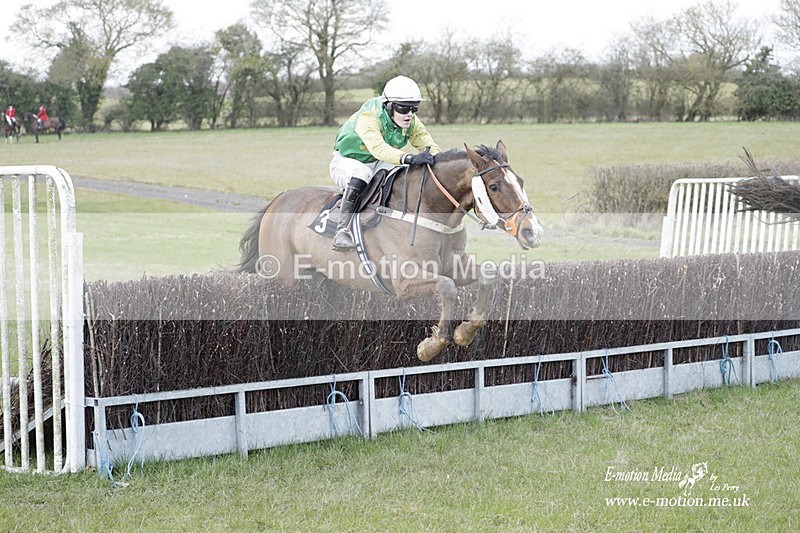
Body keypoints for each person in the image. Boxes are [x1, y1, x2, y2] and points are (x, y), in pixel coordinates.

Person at [329, 75, 441, 251]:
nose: (409, 114)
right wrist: (409, 158)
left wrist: (438, 160)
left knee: (405, 174)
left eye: (414, 108)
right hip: (347, 161)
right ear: (388, 106)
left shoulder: (410, 121)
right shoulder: (369, 116)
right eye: (403, 108)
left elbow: (426, 143)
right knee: (362, 174)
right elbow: (378, 148)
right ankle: (341, 231)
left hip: (378, 161)